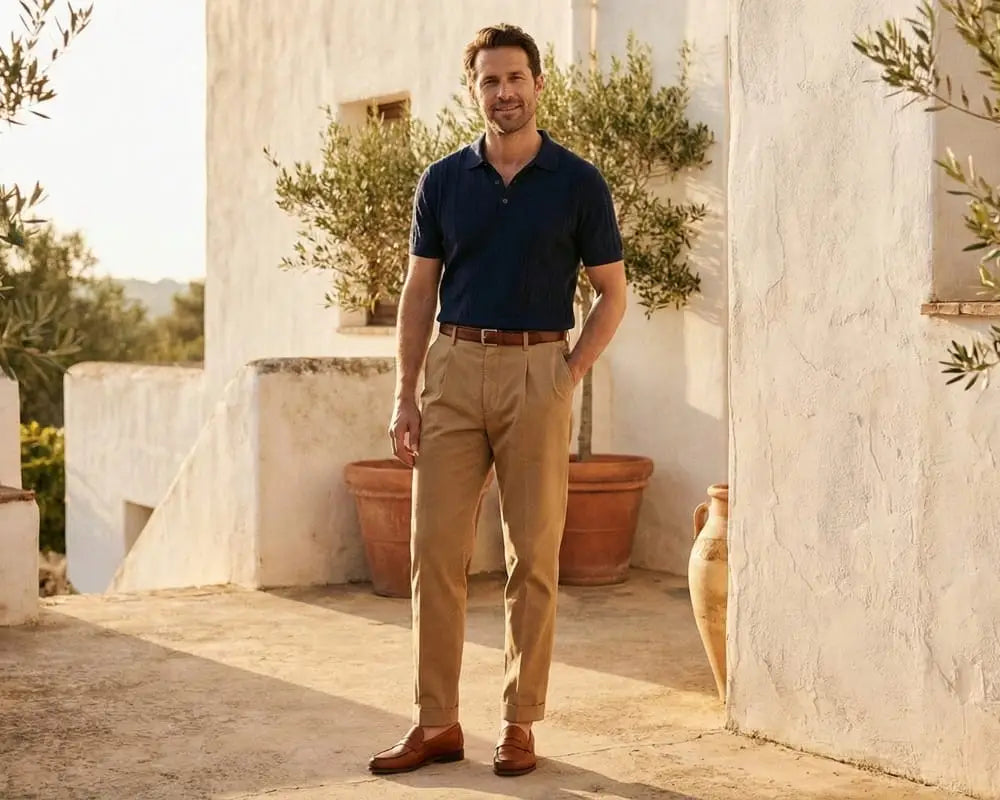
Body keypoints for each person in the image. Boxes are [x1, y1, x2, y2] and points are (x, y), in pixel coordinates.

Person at [368, 23, 627, 778]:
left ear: (539, 84)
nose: (504, 92)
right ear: (474, 89)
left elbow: (612, 293)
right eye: (489, 80)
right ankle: (437, 721)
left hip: (538, 371)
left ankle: (520, 723)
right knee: (434, 554)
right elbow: (420, 290)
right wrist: (405, 394)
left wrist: (568, 372)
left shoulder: (579, 183)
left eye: (515, 78)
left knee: (533, 558)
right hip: (452, 369)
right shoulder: (442, 181)